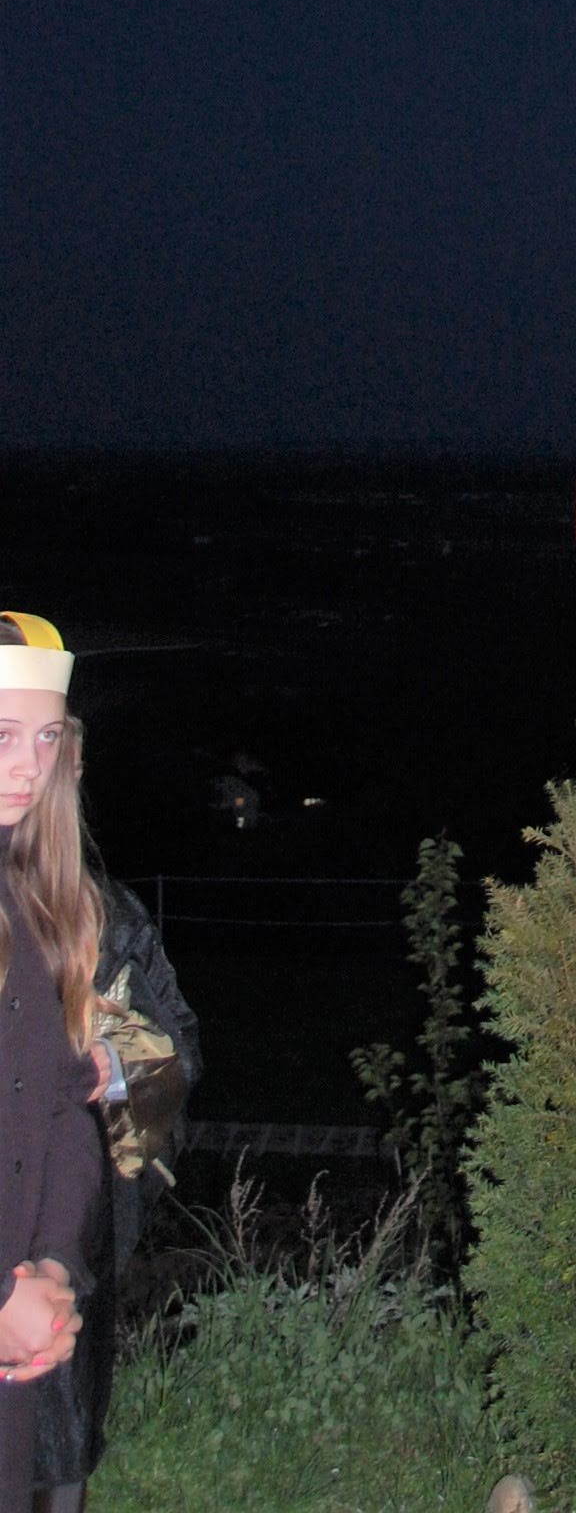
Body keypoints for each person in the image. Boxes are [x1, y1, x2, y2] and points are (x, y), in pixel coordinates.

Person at [33, 877, 199, 1513]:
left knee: (56, 1431)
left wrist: (116, 1062)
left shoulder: (99, 910)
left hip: (64, 1217)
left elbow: (174, 1051)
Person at [0, 616, 102, 1513]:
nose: (28, 768)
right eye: (2, 735)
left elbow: (66, 1105)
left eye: (45, 738)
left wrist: (55, 1268)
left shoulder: (41, 905)